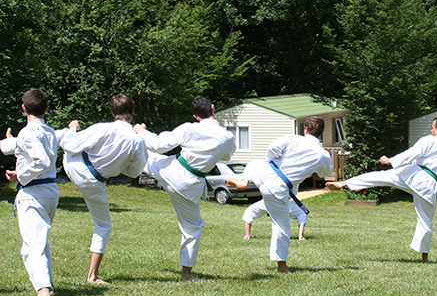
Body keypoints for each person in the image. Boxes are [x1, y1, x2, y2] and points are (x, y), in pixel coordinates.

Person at [327, 118, 437, 263]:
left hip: (413, 175)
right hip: (428, 184)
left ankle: (344, 183)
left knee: (380, 177)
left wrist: (392, 161)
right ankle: (424, 258)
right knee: (426, 221)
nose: (431, 130)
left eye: (432, 127)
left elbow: (413, 153)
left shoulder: (429, 140)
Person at [133, 96, 235, 281]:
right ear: (213, 108)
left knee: (146, 159)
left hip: (173, 170)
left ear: (196, 116)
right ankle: (186, 274)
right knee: (193, 228)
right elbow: (227, 157)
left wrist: (141, 131)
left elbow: (158, 145)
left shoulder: (189, 128)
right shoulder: (228, 137)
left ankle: (117, 153)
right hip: (189, 183)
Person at [58, 94, 148, 284]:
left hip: (72, 165)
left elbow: (69, 144)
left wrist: (72, 129)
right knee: (103, 225)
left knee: (63, 137)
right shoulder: (137, 141)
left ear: (112, 111)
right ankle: (92, 276)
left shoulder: (103, 127)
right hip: (93, 182)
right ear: (132, 113)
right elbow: (134, 172)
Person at [225, 116, 331, 273]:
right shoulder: (322, 155)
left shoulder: (292, 138)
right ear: (321, 134)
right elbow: (325, 172)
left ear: (306, 129)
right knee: (281, 226)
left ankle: (243, 181)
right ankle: (282, 266)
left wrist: (275, 160)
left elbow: (272, 148)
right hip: (279, 189)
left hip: (265, 173)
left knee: (255, 163)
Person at [1, 89, 59, 296]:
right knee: (39, 242)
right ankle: (47, 286)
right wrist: (9, 142)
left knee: (32, 245)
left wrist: (20, 175)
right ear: (46, 108)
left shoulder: (27, 132)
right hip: (50, 191)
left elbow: (41, 161)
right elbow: (21, 146)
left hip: (33, 192)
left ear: (23, 108)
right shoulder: (49, 132)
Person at [241, 199, 308, 241]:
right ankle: (300, 236)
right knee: (301, 214)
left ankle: (247, 236)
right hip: (281, 203)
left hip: (269, 202)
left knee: (248, 211)